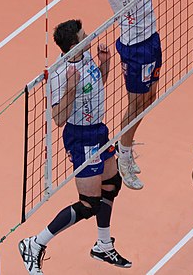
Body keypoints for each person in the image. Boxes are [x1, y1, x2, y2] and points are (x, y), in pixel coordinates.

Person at [19, 19, 131, 274]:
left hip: (99, 130)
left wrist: (104, 65)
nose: (89, 35)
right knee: (89, 203)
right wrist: (69, 88)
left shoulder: (86, 56)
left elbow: (94, 88)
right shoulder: (59, 75)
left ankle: (103, 245)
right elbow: (58, 118)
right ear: (73, 45)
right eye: (84, 35)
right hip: (80, 138)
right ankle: (34, 244)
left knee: (111, 185)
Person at [99, 0, 172, 190]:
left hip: (152, 39)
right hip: (134, 47)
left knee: (150, 97)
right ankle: (124, 155)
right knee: (134, 104)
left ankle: (125, 144)